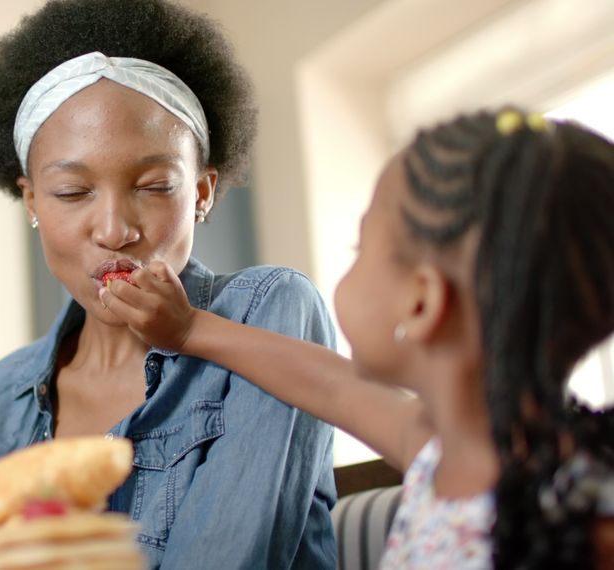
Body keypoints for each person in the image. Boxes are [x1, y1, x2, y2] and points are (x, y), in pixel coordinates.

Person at [101, 107, 614, 569]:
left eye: (360, 246)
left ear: (421, 302)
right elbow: (328, 386)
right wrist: (190, 328)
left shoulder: (583, 515)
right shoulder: (441, 447)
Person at [0, 0, 338, 567]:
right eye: (72, 192)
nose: (115, 231)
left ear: (203, 193)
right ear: (31, 200)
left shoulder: (270, 312)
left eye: (154, 185)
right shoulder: (2, 396)